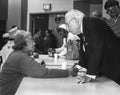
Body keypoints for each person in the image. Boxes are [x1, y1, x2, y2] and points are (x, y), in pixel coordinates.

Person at [0, 30, 78, 95]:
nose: (34, 43)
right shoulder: (21, 57)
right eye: (31, 41)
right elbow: (45, 73)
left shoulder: (16, 53)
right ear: (23, 44)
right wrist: (68, 72)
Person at [65, 9, 120, 84]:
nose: (67, 28)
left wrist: (90, 75)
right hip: (109, 68)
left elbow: (96, 50)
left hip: (115, 67)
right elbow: (86, 52)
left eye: (68, 24)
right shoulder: (84, 28)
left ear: (76, 21)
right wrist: (77, 68)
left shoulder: (92, 24)